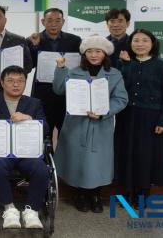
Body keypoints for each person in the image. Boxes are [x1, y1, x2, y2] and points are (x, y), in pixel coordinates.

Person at [52, 35, 128, 213]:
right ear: (84, 54)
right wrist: (61, 68)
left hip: (101, 125)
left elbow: (121, 98)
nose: (94, 55)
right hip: (76, 124)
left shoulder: (115, 74)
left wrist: (104, 112)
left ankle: (95, 195)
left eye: (98, 51)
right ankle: (78, 194)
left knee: (97, 162)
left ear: (105, 54)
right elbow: (59, 89)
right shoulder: (74, 71)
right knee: (76, 159)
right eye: (90, 51)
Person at [0, 66, 48, 229]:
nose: (16, 85)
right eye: (10, 81)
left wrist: (29, 118)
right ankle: (9, 209)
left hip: (27, 153)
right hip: (2, 153)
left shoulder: (34, 103)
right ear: (2, 83)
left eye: (20, 81)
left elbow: (45, 127)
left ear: (25, 83)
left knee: (41, 168)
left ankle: (31, 211)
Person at [114, 29, 163, 206]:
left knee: (145, 157)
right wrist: (125, 65)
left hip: (151, 119)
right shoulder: (123, 63)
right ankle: (125, 193)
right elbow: (119, 88)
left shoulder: (162, 66)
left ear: (152, 44)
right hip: (126, 117)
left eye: (145, 40)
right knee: (125, 154)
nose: (139, 44)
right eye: (136, 40)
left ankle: (142, 195)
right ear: (130, 44)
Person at [28, 8, 81, 139]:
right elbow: (30, 65)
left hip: (66, 93)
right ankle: (45, 160)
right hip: (42, 94)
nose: (54, 24)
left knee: (66, 134)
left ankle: (63, 160)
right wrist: (35, 47)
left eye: (58, 20)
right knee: (43, 134)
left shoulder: (74, 40)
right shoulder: (32, 39)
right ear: (43, 21)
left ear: (63, 22)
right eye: (49, 20)